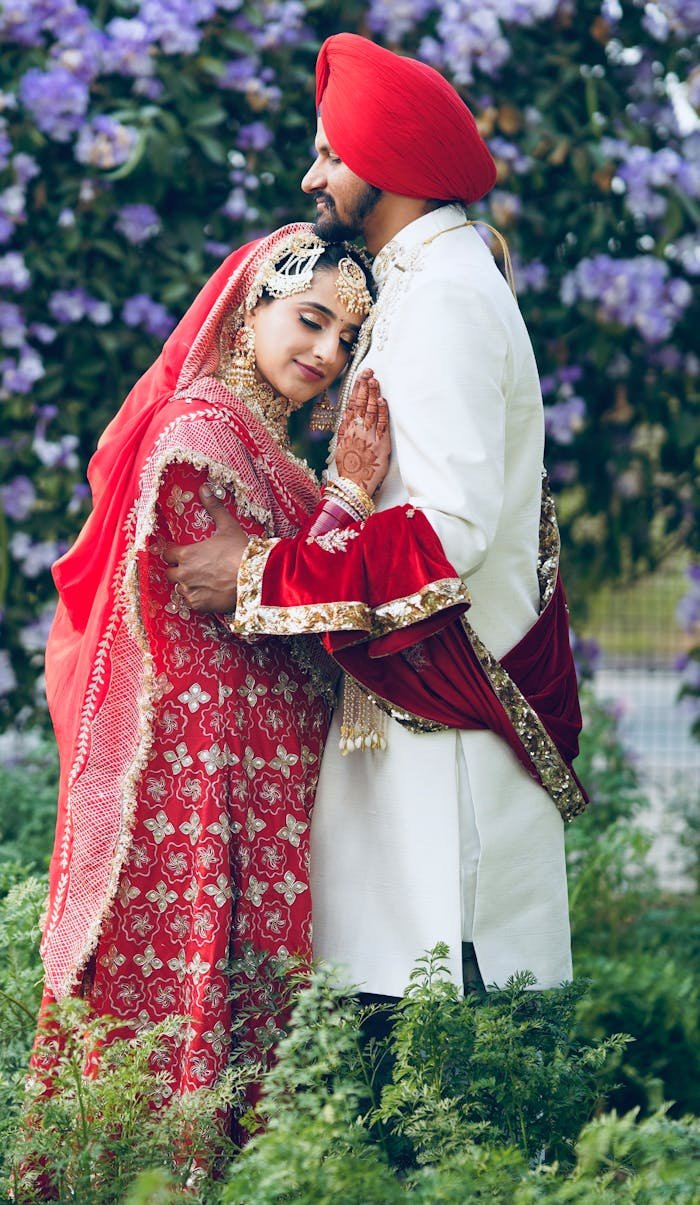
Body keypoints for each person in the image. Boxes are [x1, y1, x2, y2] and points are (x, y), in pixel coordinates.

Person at [164, 34, 588, 1004]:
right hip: (415, 695)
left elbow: (448, 531)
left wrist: (259, 574)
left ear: (385, 164)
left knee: (436, 1017)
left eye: (330, 154)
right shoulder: (423, 286)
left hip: (445, 711)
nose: (314, 176)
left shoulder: (443, 300)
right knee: (398, 1006)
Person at [32, 224, 391, 1102]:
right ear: (250, 309)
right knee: (182, 1014)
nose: (326, 351)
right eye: (309, 319)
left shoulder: (267, 452)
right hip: (194, 785)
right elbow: (233, 599)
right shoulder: (202, 435)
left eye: (347, 340)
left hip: (249, 776)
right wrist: (346, 500)